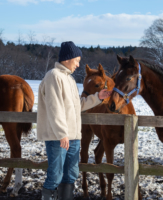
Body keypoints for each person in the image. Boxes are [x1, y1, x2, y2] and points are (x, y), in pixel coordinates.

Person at [36, 41, 111, 200]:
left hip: (74, 136)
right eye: (77, 60)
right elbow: (54, 107)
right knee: (55, 175)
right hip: (59, 137)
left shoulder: (69, 79)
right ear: (68, 58)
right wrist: (62, 134)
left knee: (71, 175)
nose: (78, 64)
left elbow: (78, 105)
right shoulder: (54, 76)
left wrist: (98, 97)